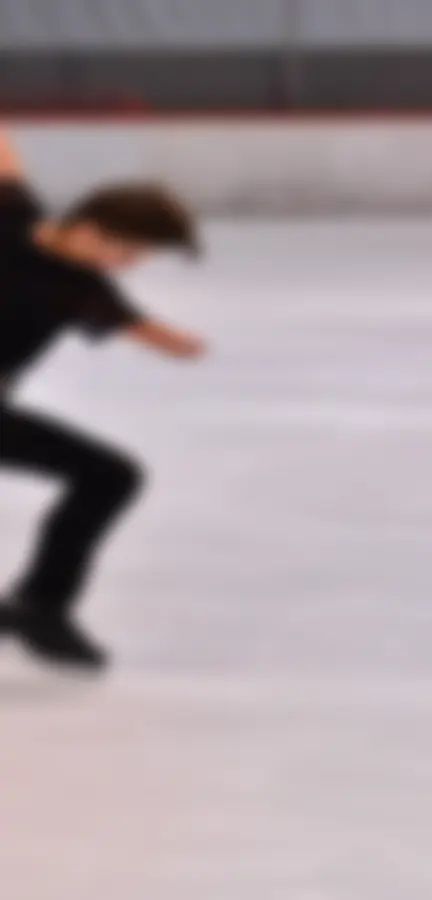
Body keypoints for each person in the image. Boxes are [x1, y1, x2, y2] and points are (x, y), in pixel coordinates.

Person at [0, 118, 207, 671]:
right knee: (111, 475)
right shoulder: (83, 289)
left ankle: (41, 603)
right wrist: (187, 346)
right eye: (132, 252)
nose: (132, 266)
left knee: (109, 474)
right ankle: (42, 605)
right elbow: (163, 341)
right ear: (92, 230)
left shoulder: (14, 215)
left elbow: (5, 159)